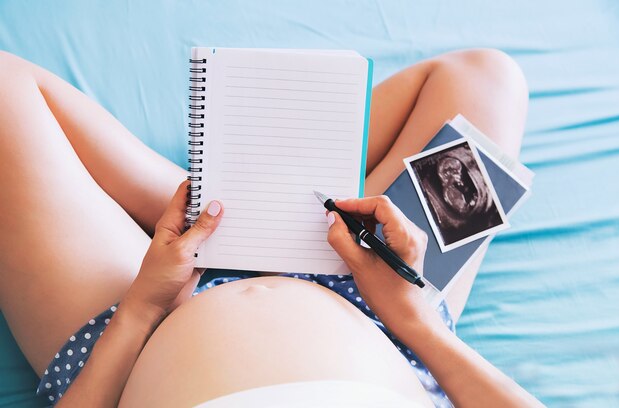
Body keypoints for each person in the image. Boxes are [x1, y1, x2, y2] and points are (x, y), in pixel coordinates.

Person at [0, 48, 541, 407]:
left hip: (134, 337)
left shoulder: (139, 315)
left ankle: (221, 200)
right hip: (386, 316)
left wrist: (142, 308)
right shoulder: (404, 315)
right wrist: (414, 319)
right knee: (486, 76)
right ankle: (246, 201)